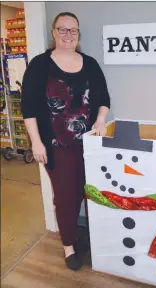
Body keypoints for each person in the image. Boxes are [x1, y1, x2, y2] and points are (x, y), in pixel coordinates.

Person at [21, 12, 110, 271]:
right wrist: (36, 143)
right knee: (66, 196)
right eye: (63, 29)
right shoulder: (40, 65)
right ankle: (69, 247)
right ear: (53, 32)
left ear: (78, 34)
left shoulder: (90, 64)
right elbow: (29, 108)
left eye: (73, 30)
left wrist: (101, 119)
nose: (68, 35)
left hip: (89, 145)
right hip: (57, 147)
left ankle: (77, 234)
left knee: (84, 192)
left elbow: (104, 96)